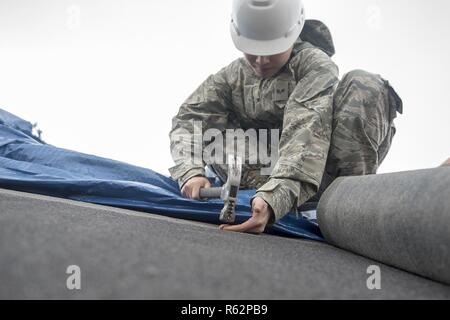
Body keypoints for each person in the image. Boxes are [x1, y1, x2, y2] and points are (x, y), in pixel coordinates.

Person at [169, 0, 403, 234]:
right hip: (261, 175)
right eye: (253, 50)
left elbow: (306, 131)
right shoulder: (230, 78)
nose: (261, 61)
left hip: (323, 175)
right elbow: (189, 119)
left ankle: (349, 205)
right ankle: (273, 199)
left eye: (271, 49)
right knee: (211, 129)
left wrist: (277, 197)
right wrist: (191, 173)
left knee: (365, 85)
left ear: (294, 33)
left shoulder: (314, 65)